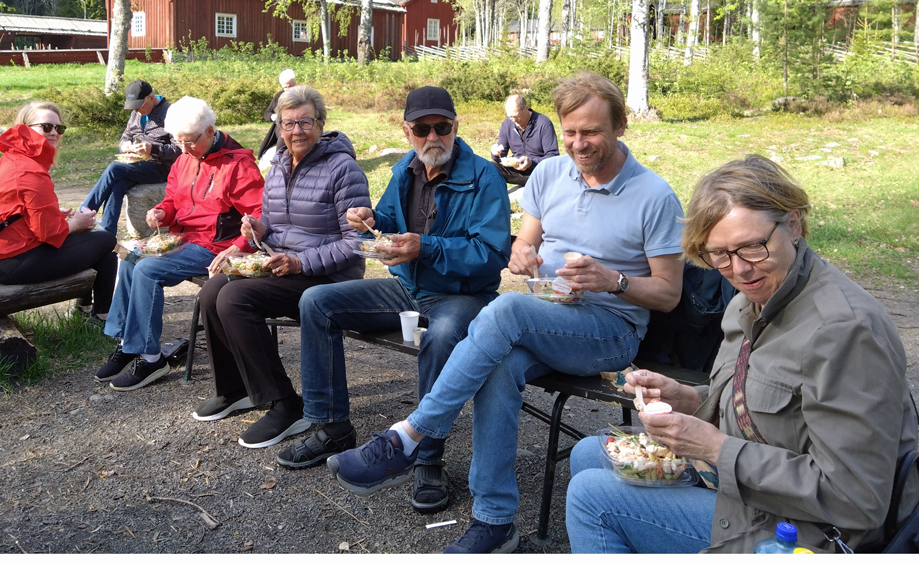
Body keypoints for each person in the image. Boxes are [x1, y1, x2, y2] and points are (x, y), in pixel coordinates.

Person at [326, 72, 686, 553]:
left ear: (620, 125)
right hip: (548, 313)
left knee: (507, 310)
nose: (579, 144)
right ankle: (495, 521)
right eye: (571, 132)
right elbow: (525, 242)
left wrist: (613, 281)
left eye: (592, 132)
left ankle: (409, 436)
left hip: (610, 331)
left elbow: (667, 294)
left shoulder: (655, 195)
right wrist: (522, 255)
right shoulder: (551, 173)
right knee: (497, 363)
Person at [562, 155, 918, 554]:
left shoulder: (844, 331)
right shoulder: (750, 301)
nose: (739, 270)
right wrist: (688, 398)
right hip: (754, 492)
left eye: (753, 246)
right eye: (719, 254)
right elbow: (765, 404)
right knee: (592, 453)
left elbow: (858, 498)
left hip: (808, 533)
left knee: (592, 498)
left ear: (794, 225)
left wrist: (715, 449)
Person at [276, 86, 512, 515]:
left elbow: (494, 254)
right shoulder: (406, 168)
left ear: (456, 127)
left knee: (442, 336)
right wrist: (369, 218)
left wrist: (428, 248)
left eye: (442, 127)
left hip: (462, 294)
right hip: (406, 286)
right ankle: (331, 426)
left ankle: (426, 456)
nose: (433, 137)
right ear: (408, 132)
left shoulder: (484, 176)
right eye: (422, 129)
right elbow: (387, 219)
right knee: (316, 301)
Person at [191, 86, 371, 450]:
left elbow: (356, 243)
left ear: (320, 124)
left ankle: (287, 404)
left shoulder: (342, 168)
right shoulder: (276, 166)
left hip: (328, 278)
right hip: (282, 267)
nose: (296, 131)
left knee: (235, 298)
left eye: (305, 121)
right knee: (212, 291)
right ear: (278, 127)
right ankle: (235, 388)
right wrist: (257, 230)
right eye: (288, 123)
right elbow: (272, 223)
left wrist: (301, 261)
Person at [95, 96, 265, 391]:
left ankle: (151, 359)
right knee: (129, 255)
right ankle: (128, 342)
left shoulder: (238, 164)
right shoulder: (185, 158)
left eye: (190, 142)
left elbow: (261, 215)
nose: (183, 150)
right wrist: (161, 211)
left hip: (214, 246)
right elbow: (173, 198)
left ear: (210, 131)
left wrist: (239, 245)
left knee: (147, 270)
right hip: (181, 238)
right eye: (178, 142)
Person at [0, 101, 117, 324]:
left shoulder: (11, 159)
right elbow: (48, 233)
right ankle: (101, 317)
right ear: (25, 128)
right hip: (9, 263)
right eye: (46, 127)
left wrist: (56, 213)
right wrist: (77, 222)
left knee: (95, 245)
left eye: (59, 128)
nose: (54, 133)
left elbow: (13, 210)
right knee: (105, 240)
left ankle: (87, 308)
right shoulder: (29, 170)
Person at [80, 80, 181, 236]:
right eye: (133, 106)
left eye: (139, 105)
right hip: (137, 165)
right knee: (118, 184)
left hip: (161, 167)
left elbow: (179, 149)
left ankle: (84, 212)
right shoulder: (136, 113)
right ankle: (107, 234)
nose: (136, 110)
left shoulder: (171, 113)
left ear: (151, 97)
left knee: (114, 169)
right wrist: (125, 145)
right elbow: (125, 137)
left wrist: (153, 149)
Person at [489, 94, 558, 187]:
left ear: (526, 108)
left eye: (516, 116)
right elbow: (501, 158)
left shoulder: (543, 123)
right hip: (517, 169)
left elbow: (553, 157)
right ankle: (531, 182)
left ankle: (535, 181)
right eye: (509, 116)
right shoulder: (506, 125)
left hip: (539, 169)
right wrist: (495, 153)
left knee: (546, 172)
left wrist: (531, 163)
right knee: (488, 167)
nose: (513, 120)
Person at [257, 69, 297, 164]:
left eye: (290, 86)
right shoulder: (279, 96)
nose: (288, 89)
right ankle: (278, 162)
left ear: (295, 83)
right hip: (281, 125)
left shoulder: (302, 94)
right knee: (283, 135)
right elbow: (266, 113)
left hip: (297, 123)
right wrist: (272, 116)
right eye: (285, 87)